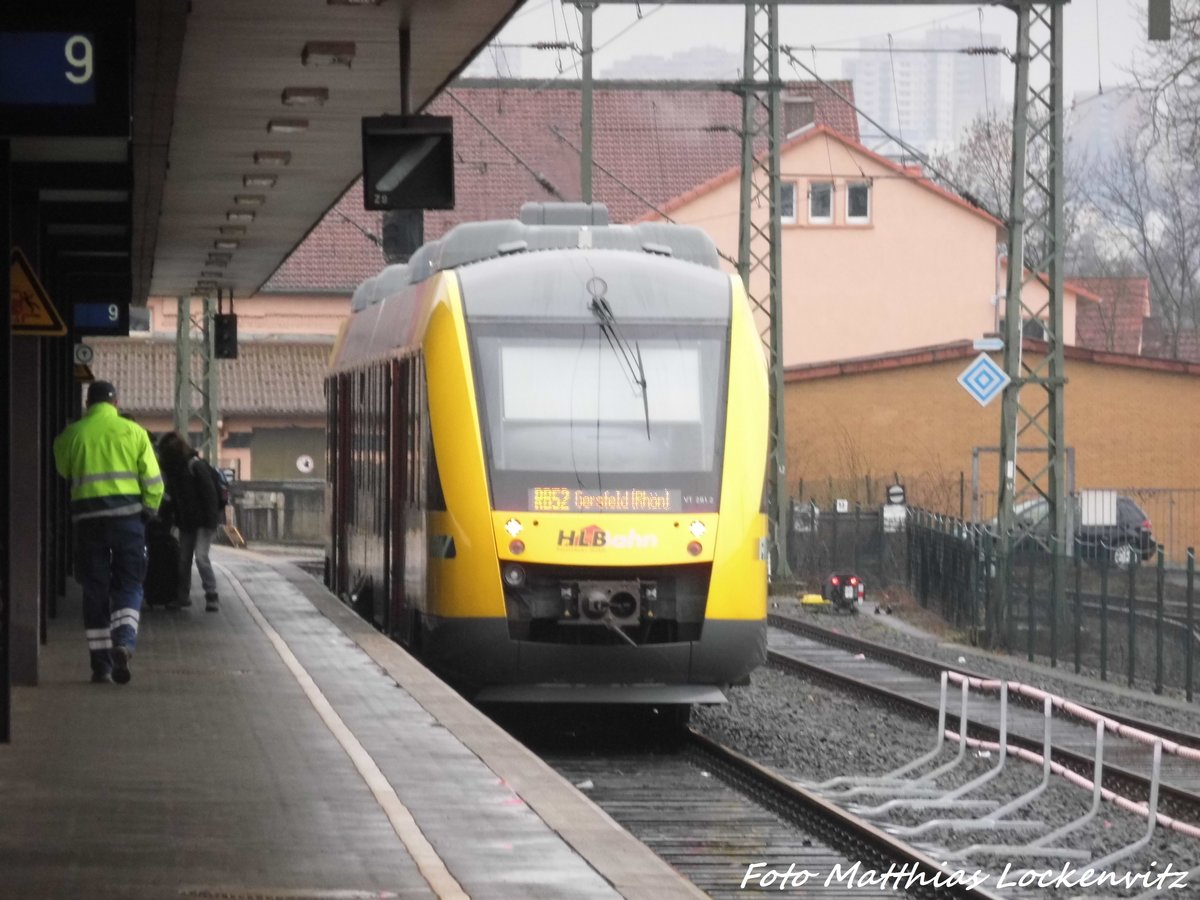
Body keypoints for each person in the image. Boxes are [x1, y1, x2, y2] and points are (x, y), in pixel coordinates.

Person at [53, 380, 163, 684]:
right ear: (115, 403)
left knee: (94, 589)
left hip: (88, 523)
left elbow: (63, 468)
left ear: (89, 404)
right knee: (129, 583)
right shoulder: (134, 432)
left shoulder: (72, 434)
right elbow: (154, 482)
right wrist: (149, 511)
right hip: (128, 521)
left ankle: (100, 665)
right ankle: (124, 642)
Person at [156, 431, 221, 612]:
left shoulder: (195, 466)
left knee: (200, 557)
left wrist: (210, 522)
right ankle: (182, 597)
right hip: (187, 522)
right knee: (183, 560)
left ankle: (211, 594)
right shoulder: (174, 471)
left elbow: (210, 496)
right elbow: (171, 498)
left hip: (203, 522)